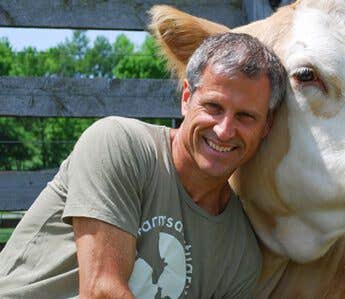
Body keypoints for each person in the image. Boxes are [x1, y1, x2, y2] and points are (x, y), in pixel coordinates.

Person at [0, 32, 288, 298]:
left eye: (245, 116)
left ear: (266, 126)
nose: (224, 130)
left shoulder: (240, 256)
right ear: (187, 98)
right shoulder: (118, 144)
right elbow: (102, 291)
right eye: (213, 107)